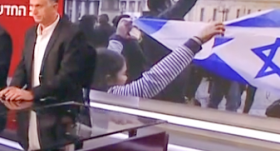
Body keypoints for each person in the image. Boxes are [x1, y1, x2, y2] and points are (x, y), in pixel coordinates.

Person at [0, 0, 95, 103]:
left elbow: (67, 76)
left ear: (55, 7)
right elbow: (23, 65)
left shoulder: (72, 34)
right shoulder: (30, 33)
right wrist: (13, 88)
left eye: (39, 6)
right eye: (31, 6)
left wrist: (32, 93)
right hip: (34, 103)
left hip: (61, 104)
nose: (33, 11)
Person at [141, 0, 212, 102]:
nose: (173, 3)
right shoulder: (162, 22)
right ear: (166, 5)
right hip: (168, 84)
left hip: (156, 78)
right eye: (170, 1)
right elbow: (185, 1)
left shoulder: (148, 22)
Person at [93, 22, 224, 99]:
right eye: (123, 74)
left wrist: (118, 37)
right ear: (108, 79)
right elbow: (153, 80)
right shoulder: (111, 95)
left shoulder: (91, 89)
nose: (126, 77)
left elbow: (106, 62)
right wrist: (196, 41)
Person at [107, 16, 147, 80]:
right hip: (129, 78)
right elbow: (112, 60)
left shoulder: (134, 40)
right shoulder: (116, 41)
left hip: (135, 77)